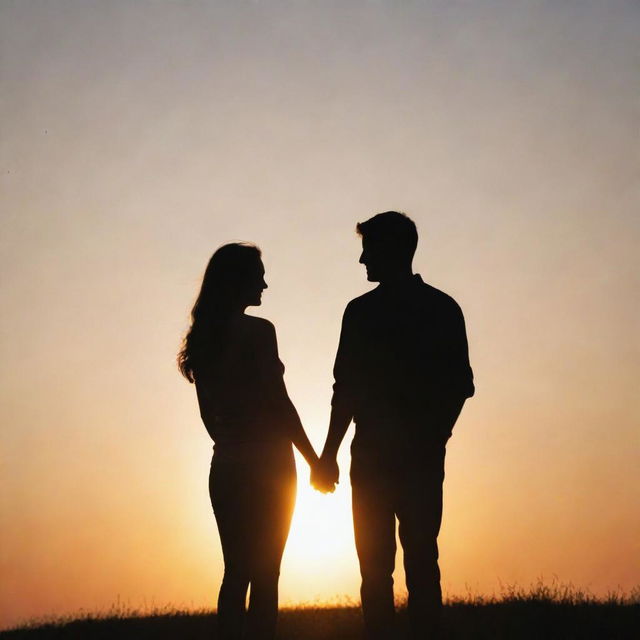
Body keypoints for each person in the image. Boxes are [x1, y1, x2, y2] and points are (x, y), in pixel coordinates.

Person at [312, 212, 475, 640]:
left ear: (391, 250)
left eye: (368, 249)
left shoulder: (364, 313)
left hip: (380, 459)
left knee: (382, 567)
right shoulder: (440, 307)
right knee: (416, 561)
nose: (362, 260)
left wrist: (328, 455)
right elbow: (460, 386)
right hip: (401, 459)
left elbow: (344, 390)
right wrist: (435, 436)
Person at [178, 243, 318, 640]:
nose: (265, 284)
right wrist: (313, 460)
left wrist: (233, 444)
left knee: (236, 572)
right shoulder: (259, 331)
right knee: (267, 573)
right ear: (237, 280)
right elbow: (280, 402)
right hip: (271, 465)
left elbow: (209, 417)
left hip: (226, 465)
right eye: (258, 275)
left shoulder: (204, 337)